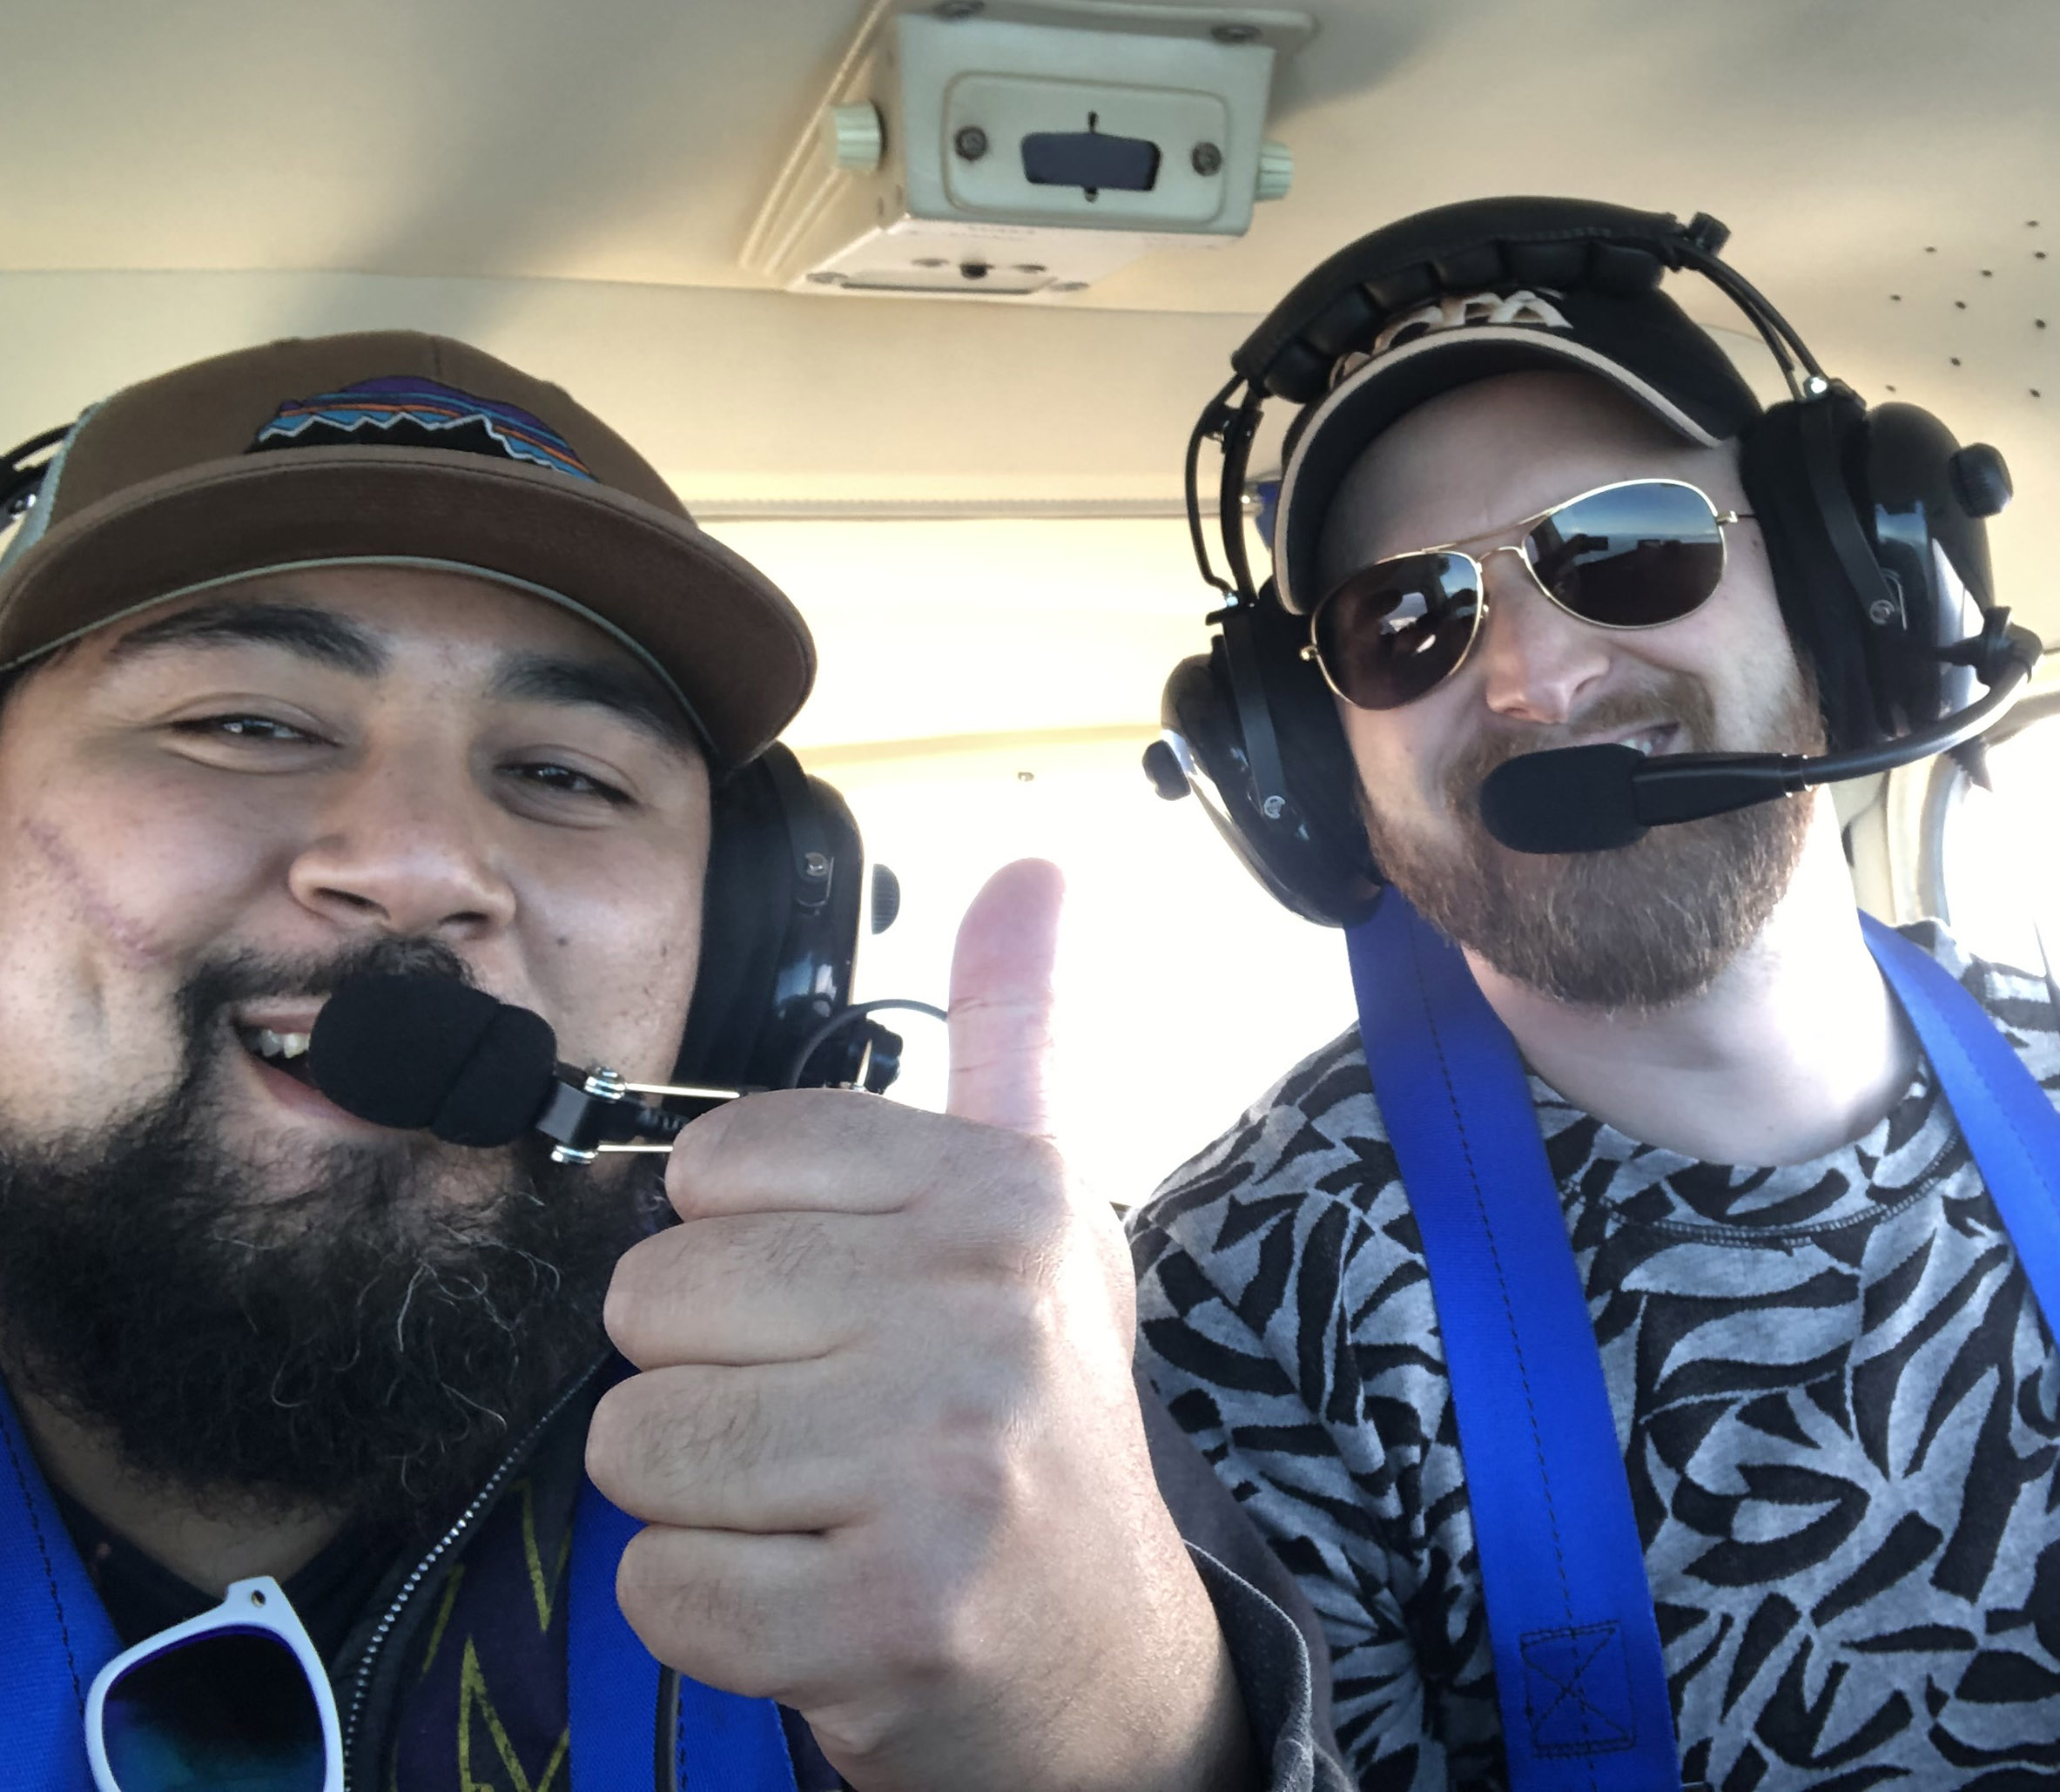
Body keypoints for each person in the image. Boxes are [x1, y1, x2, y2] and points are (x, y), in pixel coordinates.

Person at [1129, 199, 2060, 1789]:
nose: (1534, 677)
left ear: (1851, 587)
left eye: (1625, 545)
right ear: (1307, 759)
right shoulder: (1242, 1310)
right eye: (1407, 619)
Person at [0, 332, 1341, 1789]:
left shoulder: (961, 1393)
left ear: (744, 941)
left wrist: (1126, 1732)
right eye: (243, 721)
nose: (423, 861)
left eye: (566, 774)